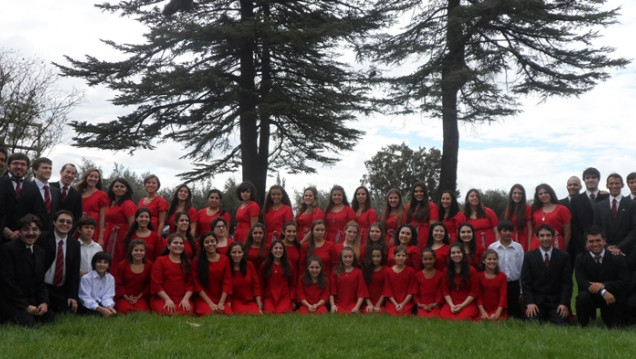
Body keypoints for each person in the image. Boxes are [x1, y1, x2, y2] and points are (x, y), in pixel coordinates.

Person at [0, 214, 56, 327]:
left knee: (50, 317)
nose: (31, 233)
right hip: (10, 300)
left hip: (31, 299)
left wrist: (44, 302)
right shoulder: (7, 250)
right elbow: (8, 284)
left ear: (40, 232)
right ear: (19, 232)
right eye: (26, 230)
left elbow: (40, 282)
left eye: (35, 229)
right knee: (28, 323)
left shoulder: (40, 252)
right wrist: (26, 306)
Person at [574, 226, 630, 328]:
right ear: (586, 243)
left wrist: (604, 285)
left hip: (612, 297)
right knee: (583, 296)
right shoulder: (580, 259)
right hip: (591, 296)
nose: (595, 244)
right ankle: (584, 323)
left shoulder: (617, 258)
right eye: (591, 241)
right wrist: (602, 291)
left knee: (616, 327)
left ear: (604, 241)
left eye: (598, 240)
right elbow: (582, 283)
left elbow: (624, 282)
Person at [521, 224, 572, 325]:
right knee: (532, 324)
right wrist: (530, 303)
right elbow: (525, 282)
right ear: (537, 237)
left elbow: (567, 283)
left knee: (562, 324)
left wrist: (564, 303)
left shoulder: (563, 256)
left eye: (548, 235)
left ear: (553, 237)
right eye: (542, 235)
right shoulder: (529, 257)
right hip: (536, 302)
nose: (545, 238)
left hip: (556, 302)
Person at [36, 210, 81, 314]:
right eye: (61, 221)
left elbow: (74, 272)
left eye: (68, 222)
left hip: (61, 288)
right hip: (43, 286)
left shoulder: (75, 244)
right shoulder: (42, 238)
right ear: (54, 222)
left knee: (70, 310)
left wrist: (72, 296)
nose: (65, 224)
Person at [569, 167, 608, 266]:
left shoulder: (606, 197)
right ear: (584, 180)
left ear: (598, 180)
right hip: (583, 246)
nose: (590, 180)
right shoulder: (575, 200)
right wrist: (585, 242)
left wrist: (604, 242)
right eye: (587, 178)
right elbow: (574, 225)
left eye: (593, 177)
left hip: (605, 245)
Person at [488, 220, 524, 319]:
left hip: (513, 284)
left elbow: (521, 268)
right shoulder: (493, 247)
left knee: (515, 314)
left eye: (510, 231)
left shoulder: (518, 247)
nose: (508, 233)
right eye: (505, 231)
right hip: (498, 284)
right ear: (499, 232)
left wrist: (521, 290)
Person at [150, 233, 194, 315]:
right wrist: (167, 299)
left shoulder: (187, 262)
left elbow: (190, 284)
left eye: (181, 243)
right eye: (175, 243)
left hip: (181, 298)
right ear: (168, 246)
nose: (178, 245)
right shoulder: (160, 261)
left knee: (187, 310)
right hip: (163, 298)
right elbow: (156, 284)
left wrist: (185, 299)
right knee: (166, 310)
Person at [1, 153, 41, 242]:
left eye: (23, 164)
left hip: (23, 239)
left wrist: (22, 230)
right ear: (8, 166)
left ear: (27, 168)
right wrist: (3, 228)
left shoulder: (33, 189)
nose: (19, 166)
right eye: (15, 163)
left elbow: (37, 212)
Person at [594, 173, 636, 254]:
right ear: (607, 185)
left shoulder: (632, 205)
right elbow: (597, 228)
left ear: (622, 185)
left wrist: (618, 247)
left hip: (627, 251)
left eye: (617, 183)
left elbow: (634, 229)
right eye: (611, 183)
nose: (614, 186)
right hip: (605, 251)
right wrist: (607, 246)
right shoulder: (599, 206)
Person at [193, 232, 232, 315]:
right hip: (204, 298)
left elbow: (227, 282)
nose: (210, 244)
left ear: (216, 242)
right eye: (207, 242)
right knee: (207, 313)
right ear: (202, 245)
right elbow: (196, 284)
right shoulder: (197, 261)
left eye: (212, 241)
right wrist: (210, 303)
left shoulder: (225, 259)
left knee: (227, 313)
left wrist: (221, 303)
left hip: (220, 298)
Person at [439, 243, 479, 320]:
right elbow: (446, 291)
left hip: (467, 302)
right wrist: (451, 305)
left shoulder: (472, 270)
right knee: (445, 317)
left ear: (463, 254)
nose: (456, 255)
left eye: (458, 252)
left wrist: (462, 306)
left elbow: (474, 292)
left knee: (463, 318)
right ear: (450, 255)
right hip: (452, 301)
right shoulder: (446, 271)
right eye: (453, 253)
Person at [103, 178, 137, 265]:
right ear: (112, 188)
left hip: (121, 237)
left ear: (126, 189)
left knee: (117, 261)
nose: (119, 188)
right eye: (116, 186)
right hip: (108, 235)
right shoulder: (110, 203)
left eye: (122, 186)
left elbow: (132, 224)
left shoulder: (128, 204)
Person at [113, 239, 152, 314]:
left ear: (145, 252)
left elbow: (148, 284)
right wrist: (127, 297)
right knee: (125, 310)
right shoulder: (122, 265)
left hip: (140, 297)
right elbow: (118, 284)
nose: (138, 253)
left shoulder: (149, 265)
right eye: (136, 250)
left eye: (141, 250)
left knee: (142, 311)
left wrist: (138, 297)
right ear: (131, 251)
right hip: (124, 297)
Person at [529, 184, 571, 251]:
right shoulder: (534, 210)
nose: (543, 195)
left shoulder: (562, 209)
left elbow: (567, 233)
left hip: (556, 243)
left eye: (546, 192)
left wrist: (564, 249)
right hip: (537, 243)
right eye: (540, 194)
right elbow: (533, 230)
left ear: (550, 193)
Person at [330, 246, 368, 314]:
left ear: (353, 258)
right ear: (341, 258)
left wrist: (357, 307)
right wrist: (333, 306)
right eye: (345, 257)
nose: (348, 259)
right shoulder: (335, 271)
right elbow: (331, 292)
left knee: (352, 313)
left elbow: (362, 293)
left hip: (353, 304)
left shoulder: (358, 273)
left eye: (350, 257)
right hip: (339, 304)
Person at [259, 240, 295, 314]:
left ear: (283, 250)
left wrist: (292, 299)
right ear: (271, 250)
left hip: (284, 296)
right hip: (269, 296)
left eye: (280, 248)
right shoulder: (264, 265)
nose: (278, 250)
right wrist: (261, 301)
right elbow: (261, 284)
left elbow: (292, 284)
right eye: (276, 248)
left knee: (281, 312)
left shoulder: (289, 264)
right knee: (269, 313)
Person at [76, 168, 109, 245]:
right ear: (86, 177)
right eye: (91, 176)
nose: (93, 179)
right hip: (79, 229)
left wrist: (101, 237)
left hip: (93, 230)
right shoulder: (79, 193)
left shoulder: (102, 195)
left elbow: (102, 217)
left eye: (96, 177)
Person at [227, 242, 262, 314]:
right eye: (234, 252)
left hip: (249, 300)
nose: (237, 255)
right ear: (230, 253)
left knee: (256, 313)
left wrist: (259, 306)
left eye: (239, 252)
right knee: (242, 313)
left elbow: (256, 286)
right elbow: (227, 289)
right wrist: (228, 304)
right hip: (235, 301)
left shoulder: (249, 265)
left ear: (243, 253)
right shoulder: (227, 267)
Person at [78, 251, 117, 316]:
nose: (102, 265)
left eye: (105, 262)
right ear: (94, 263)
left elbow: (108, 296)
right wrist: (101, 309)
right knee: (94, 312)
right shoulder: (86, 278)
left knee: (112, 312)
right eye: (99, 262)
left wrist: (109, 307)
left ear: (109, 265)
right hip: (88, 304)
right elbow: (85, 298)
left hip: (101, 303)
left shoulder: (110, 278)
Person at [383, 246, 417, 316]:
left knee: (404, 314)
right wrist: (395, 304)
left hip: (406, 302)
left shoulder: (411, 271)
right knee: (393, 313)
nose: (401, 258)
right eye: (398, 255)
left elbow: (411, 290)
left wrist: (403, 304)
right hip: (393, 302)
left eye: (403, 255)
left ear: (406, 257)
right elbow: (388, 290)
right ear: (393, 256)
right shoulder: (388, 271)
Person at [51, 163, 83, 234]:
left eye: (73, 173)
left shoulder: (77, 195)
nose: (70, 175)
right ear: (61, 172)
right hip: (48, 230)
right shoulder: (49, 187)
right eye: (68, 172)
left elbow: (77, 217)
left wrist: (68, 232)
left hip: (65, 233)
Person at [476, 249, 508, 321]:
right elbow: (479, 296)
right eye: (489, 259)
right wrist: (483, 312)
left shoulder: (502, 276)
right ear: (484, 261)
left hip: (498, 309)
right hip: (483, 309)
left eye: (494, 259)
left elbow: (503, 296)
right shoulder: (479, 276)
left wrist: (497, 313)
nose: (492, 261)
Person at [414, 248, 444, 318]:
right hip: (422, 304)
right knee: (422, 316)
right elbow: (415, 292)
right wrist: (419, 304)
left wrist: (435, 304)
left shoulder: (440, 275)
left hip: (435, 304)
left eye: (430, 259)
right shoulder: (418, 275)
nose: (428, 261)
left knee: (435, 316)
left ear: (435, 259)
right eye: (425, 259)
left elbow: (440, 292)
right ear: (421, 260)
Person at [504, 184, 532, 251]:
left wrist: (529, 247)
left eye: (520, 193)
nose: (517, 195)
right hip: (512, 238)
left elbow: (530, 229)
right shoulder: (508, 210)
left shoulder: (527, 208)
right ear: (511, 194)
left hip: (524, 238)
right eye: (515, 193)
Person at [363, 244, 387, 313]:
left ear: (382, 257)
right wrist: (369, 303)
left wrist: (378, 305)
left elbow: (386, 289)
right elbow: (363, 288)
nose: (375, 259)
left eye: (378, 256)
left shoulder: (386, 270)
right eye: (373, 256)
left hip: (381, 302)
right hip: (367, 301)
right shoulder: (365, 270)